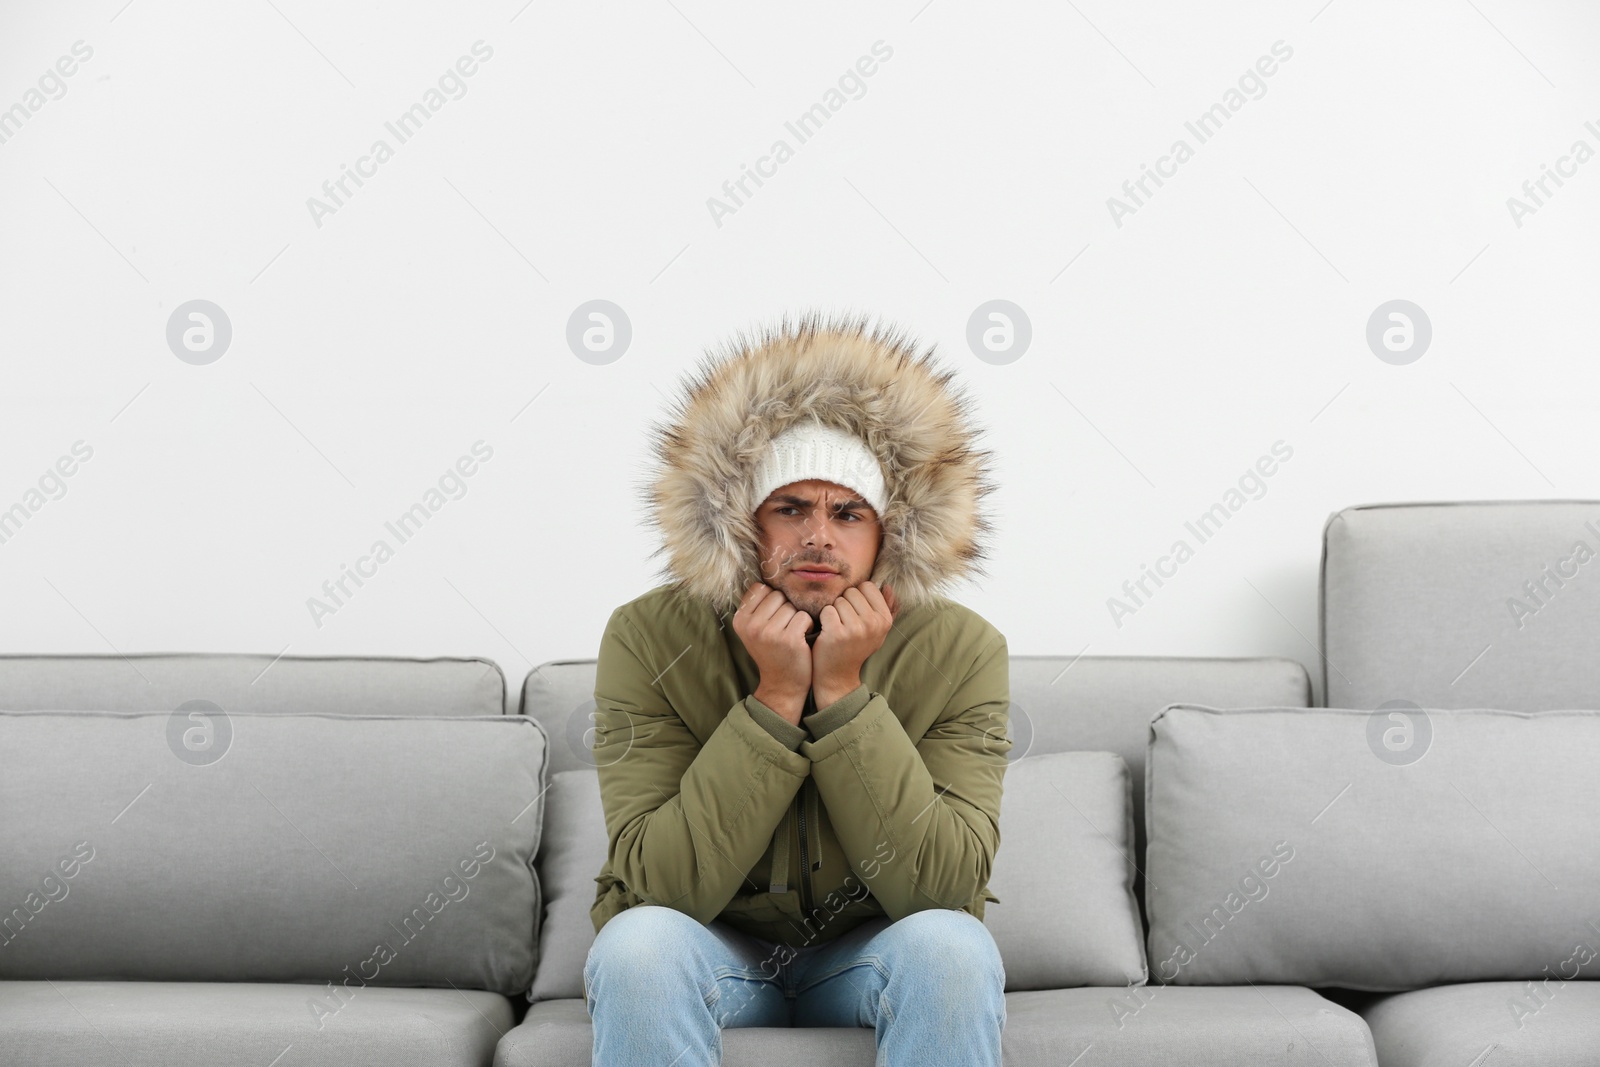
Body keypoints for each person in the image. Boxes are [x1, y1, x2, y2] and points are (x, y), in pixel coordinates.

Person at [584, 311, 1011, 1065]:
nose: (819, 534)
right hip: (715, 949)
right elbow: (659, 885)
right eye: (790, 508)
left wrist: (843, 693)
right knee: (636, 946)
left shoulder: (963, 649)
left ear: (889, 534)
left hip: (870, 952)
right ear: (744, 525)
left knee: (954, 947)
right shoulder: (646, 638)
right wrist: (775, 698)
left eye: (848, 512)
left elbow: (942, 887)